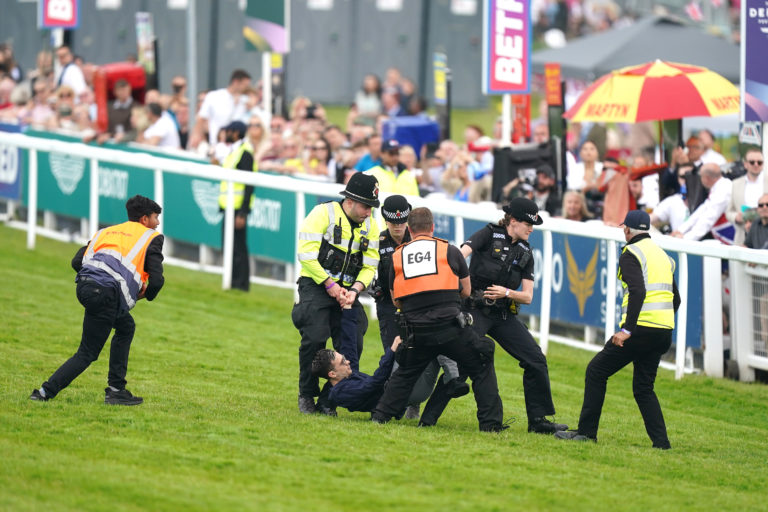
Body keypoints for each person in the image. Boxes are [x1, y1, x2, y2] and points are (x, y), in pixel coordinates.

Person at [427, 198, 566, 433]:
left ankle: (538, 421)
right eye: (528, 224)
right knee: (464, 363)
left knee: (536, 359)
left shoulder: (526, 251)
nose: (532, 229)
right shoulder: (489, 234)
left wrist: (507, 292)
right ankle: (429, 418)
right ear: (513, 221)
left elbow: (528, 296)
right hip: (476, 310)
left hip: (503, 315)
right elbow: (460, 255)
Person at [370, 207, 506, 432]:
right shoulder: (449, 251)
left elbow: (396, 301)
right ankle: (491, 424)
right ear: (432, 228)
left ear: (410, 231)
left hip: (416, 331)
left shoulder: (397, 255)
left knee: (405, 372)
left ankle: (380, 415)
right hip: (450, 328)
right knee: (482, 359)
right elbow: (466, 291)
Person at [556, 210, 680, 448]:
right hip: (663, 331)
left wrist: (627, 330)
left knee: (596, 371)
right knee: (644, 388)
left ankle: (586, 433)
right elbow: (677, 300)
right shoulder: (664, 256)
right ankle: (661, 443)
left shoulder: (630, 253)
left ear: (627, 230)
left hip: (640, 330)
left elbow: (638, 291)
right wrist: (660, 324)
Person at [29, 195, 165, 405]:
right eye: (156, 217)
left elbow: (77, 261)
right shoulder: (151, 236)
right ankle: (44, 392)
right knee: (87, 353)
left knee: (126, 326)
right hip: (105, 294)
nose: (158, 223)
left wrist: (96, 281)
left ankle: (116, 389)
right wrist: (146, 293)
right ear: (145, 219)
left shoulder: (107, 231)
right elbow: (156, 281)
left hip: (85, 287)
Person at [292, 173, 381, 415]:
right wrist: (330, 285)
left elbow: (369, 266)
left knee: (354, 341)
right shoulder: (323, 214)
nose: (368, 213)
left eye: (372, 208)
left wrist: (355, 290)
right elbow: (307, 255)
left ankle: (329, 400)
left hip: (347, 293)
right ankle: (307, 395)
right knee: (314, 338)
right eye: (366, 206)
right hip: (316, 286)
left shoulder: (372, 226)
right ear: (349, 201)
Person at [372, 195, 466, 419]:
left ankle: (414, 401)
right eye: (393, 223)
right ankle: (395, 402)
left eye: (402, 222)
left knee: (423, 351)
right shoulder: (378, 243)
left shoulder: (418, 241)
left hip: (416, 306)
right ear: (386, 221)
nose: (398, 226)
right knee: (394, 354)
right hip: (389, 306)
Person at [311, 308, 402, 412]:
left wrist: (348, 309)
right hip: (398, 394)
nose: (348, 362)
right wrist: (392, 349)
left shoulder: (346, 376)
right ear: (332, 374)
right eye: (343, 362)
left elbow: (348, 341)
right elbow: (375, 382)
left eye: (344, 359)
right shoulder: (342, 393)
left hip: (395, 390)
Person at [218, 117, 263, 291]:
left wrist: (243, 213)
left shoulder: (245, 152)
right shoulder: (235, 151)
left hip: (237, 209)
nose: (225, 134)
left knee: (238, 248)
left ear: (236, 133)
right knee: (230, 246)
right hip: (229, 206)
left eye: (228, 131)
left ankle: (241, 284)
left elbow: (248, 184)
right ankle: (234, 281)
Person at [189, 69, 251, 149]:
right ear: (235, 82)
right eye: (244, 85)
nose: (246, 88)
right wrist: (196, 136)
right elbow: (201, 118)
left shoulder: (246, 101)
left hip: (238, 147)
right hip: (216, 144)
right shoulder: (214, 96)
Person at [671, 164, 732, 241]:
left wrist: (686, 239)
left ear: (706, 178)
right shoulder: (719, 187)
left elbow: (708, 219)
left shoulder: (724, 190)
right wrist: (681, 230)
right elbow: (702, 210)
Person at [725, 148, 768, 245]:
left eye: (759, 162)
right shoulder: (736, 184)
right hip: (742, 235)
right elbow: (729, 211)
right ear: (745, 164)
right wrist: (737, 217)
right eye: (752, 162)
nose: (756, 165)